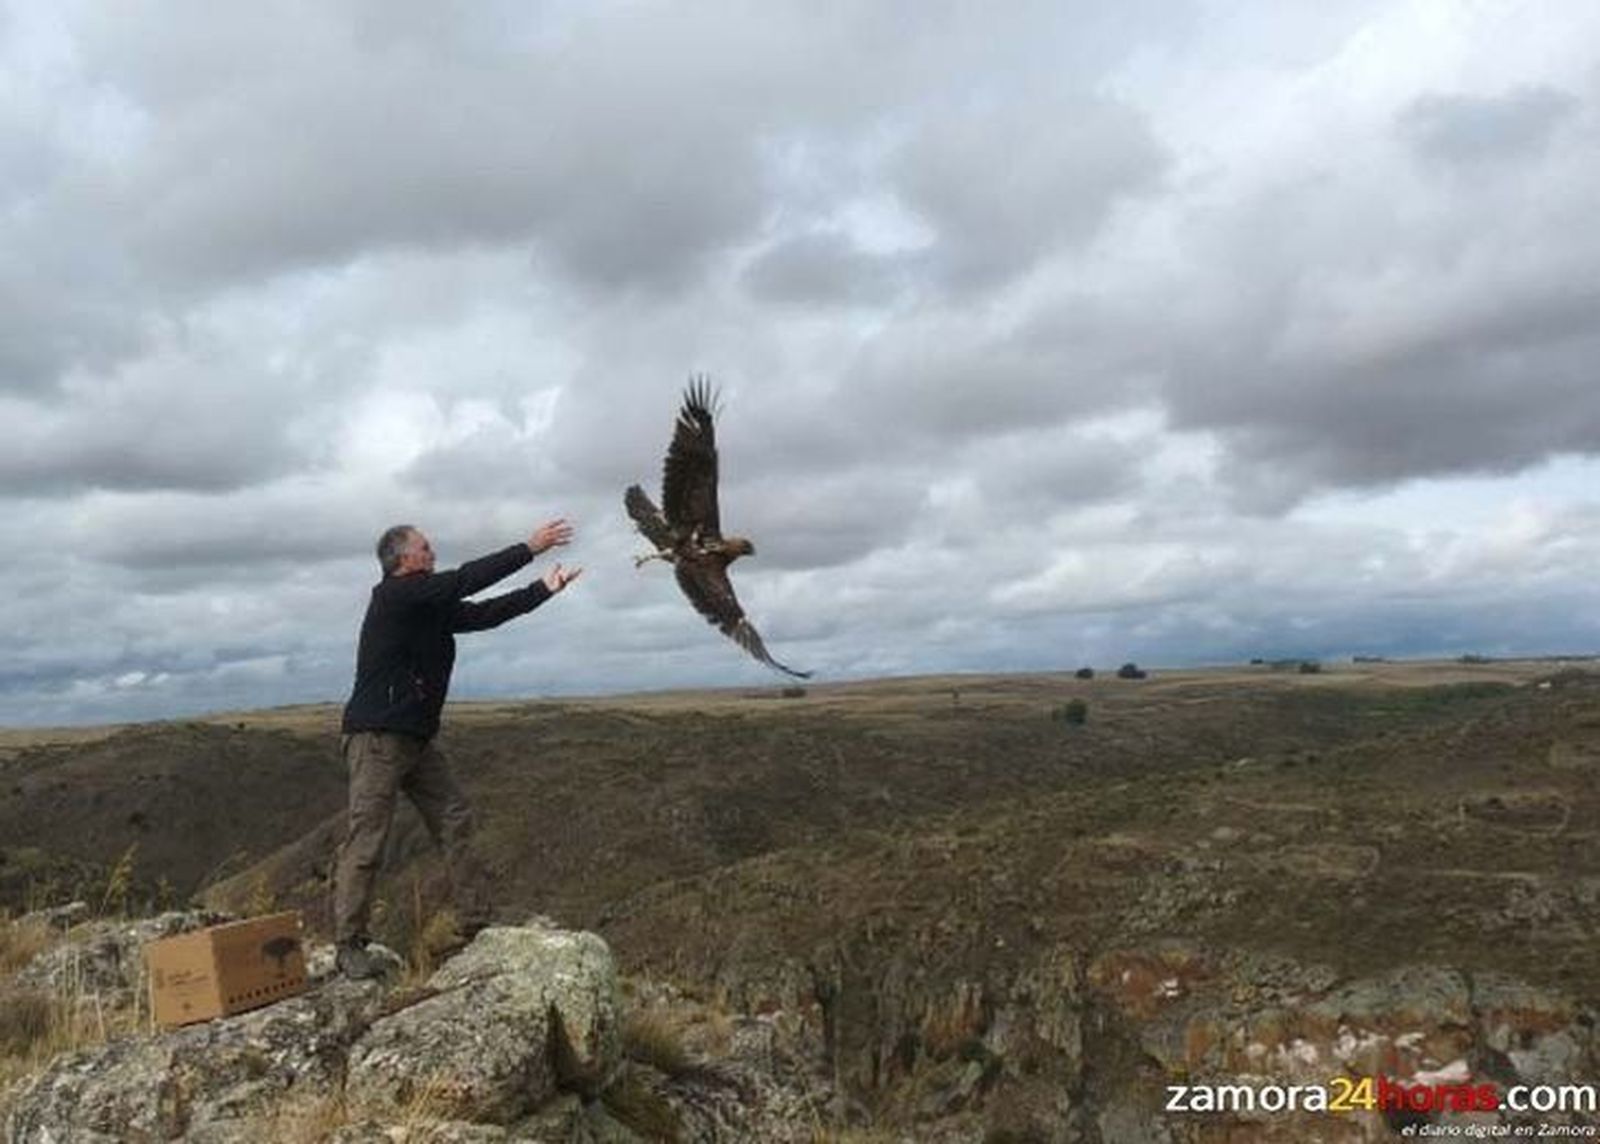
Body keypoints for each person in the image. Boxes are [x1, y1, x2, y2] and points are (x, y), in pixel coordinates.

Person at [332, 520, 581, 979]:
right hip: (378, 739)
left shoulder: (428, 606)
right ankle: (349, 944)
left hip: (416, 740)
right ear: (403, 559)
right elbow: (467, 579)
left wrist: (543, 589)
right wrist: (530, 548)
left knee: (454, 819)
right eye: (425, 548)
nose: (433, 552)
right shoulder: (397, 596)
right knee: (367, 841)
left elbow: (485, 614)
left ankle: (477, 920)